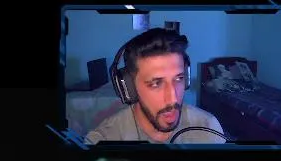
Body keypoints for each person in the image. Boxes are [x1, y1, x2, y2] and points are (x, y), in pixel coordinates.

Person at [85, 28, 226, 144]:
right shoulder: (103, 141)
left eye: (179, 78)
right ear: (129, 88)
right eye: (156, 84)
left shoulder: (208, 129)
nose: (173, 99)